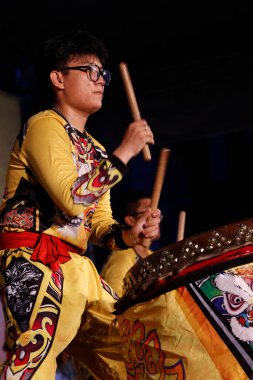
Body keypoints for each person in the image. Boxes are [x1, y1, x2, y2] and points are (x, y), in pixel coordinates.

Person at [0, 28, 161, 379]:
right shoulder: (43, 125)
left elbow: (99, 226)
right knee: (36, 356)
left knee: (133, 346)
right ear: (58, 78)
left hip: (78, 266)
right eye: (88, 70)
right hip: (35, 262)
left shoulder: (97, 150)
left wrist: (131, 233)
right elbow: (72, 200)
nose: (100, 79)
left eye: (102, 73)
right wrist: (125, 152)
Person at [100, 189, 161, 296]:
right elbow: (111, 304)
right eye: (148, 213)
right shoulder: (122, 257)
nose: (155, 218)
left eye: (156, 213)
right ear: (131, 220)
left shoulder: (154, 256)